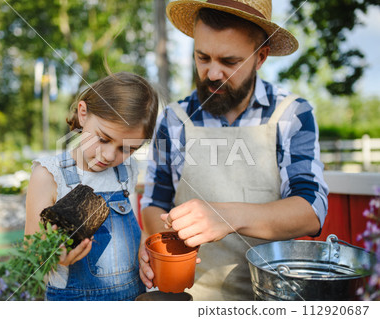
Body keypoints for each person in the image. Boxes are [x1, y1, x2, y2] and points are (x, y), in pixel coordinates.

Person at [139, 0, 329, 301]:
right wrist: (155, 241)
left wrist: (225, 216)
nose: (213, 73)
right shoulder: (175, 119)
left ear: (261, 57)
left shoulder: (291, 114)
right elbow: (154, 201)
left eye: (229, 62)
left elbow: (310, 210)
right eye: (202, 57)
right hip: (189, 297)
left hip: (271, 297)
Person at [25, 72, 159, 301]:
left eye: (127, 149)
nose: (109, 155)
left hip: (133, 297)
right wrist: (54, 258)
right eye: (104, 139)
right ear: (83, 113)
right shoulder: (48, 175)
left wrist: (144, 245)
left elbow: (132, 228)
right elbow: (32, 255)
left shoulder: (127, 170)